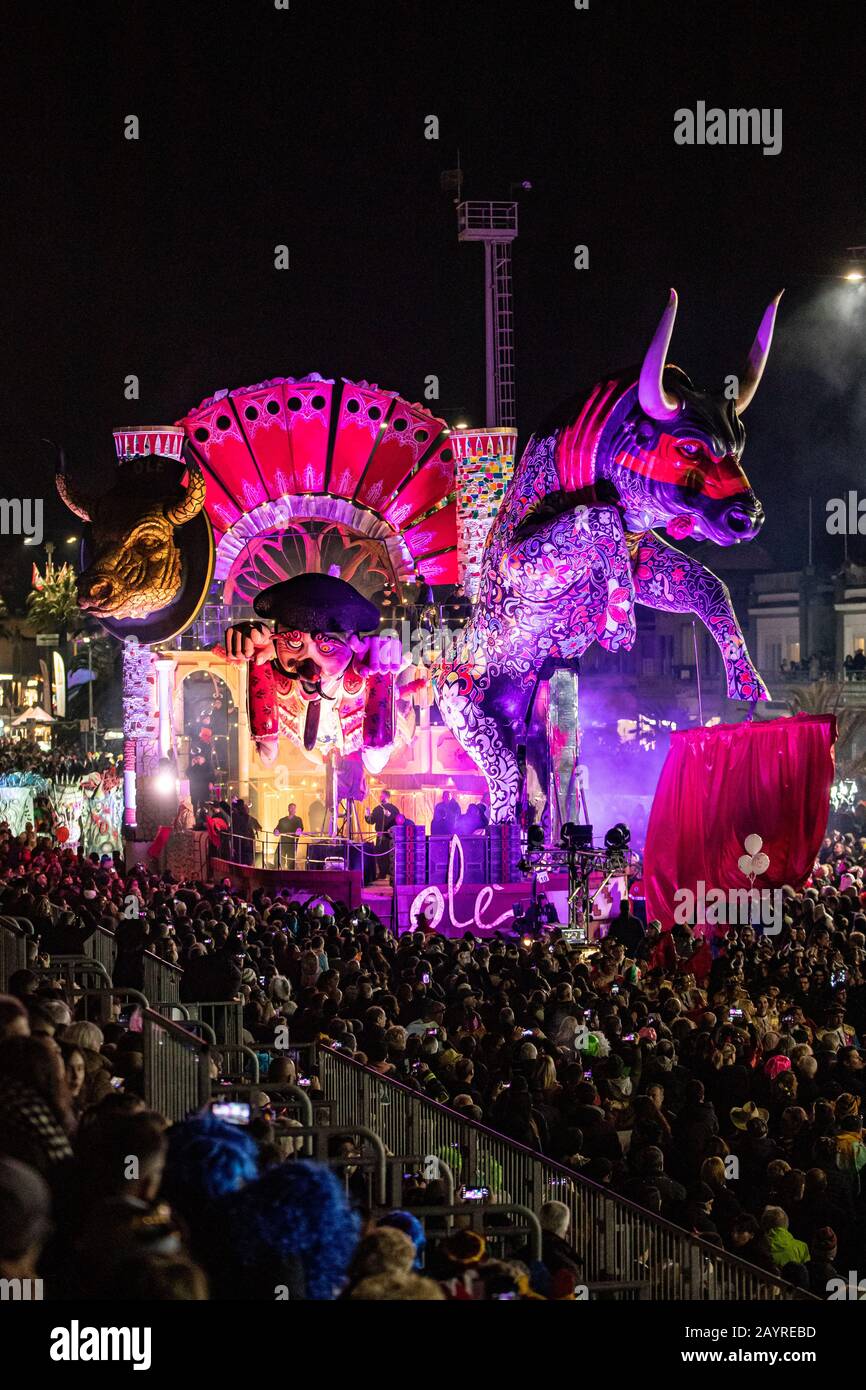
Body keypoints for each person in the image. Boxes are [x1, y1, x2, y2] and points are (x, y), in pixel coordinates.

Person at [365, 791, 397, 882]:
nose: (380, 797)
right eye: (380, 795)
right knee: (379, 854)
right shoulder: (377, 809)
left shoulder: (393, 808)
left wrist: (390, 815)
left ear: (387, 796)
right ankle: (382, 873)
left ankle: (390, 874)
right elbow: (371, 821)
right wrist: (367, 814)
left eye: (382, 796)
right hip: (380, 836)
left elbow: (397, 821)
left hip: (389, 836)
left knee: (389, 855)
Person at [274, 803, 304, 870]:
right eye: (291, 808)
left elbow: (300, 827)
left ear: (296, 810)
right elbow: (277, 828)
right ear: (288, 809)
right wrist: (276, 831)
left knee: (291, 861)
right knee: (278, 857)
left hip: (292, 843)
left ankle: (290, 874)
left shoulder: (298, 820)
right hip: (283, 842)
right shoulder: (282, 820)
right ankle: (278, 871)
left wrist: (299, 830)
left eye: (294, 808)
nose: (292, 810)